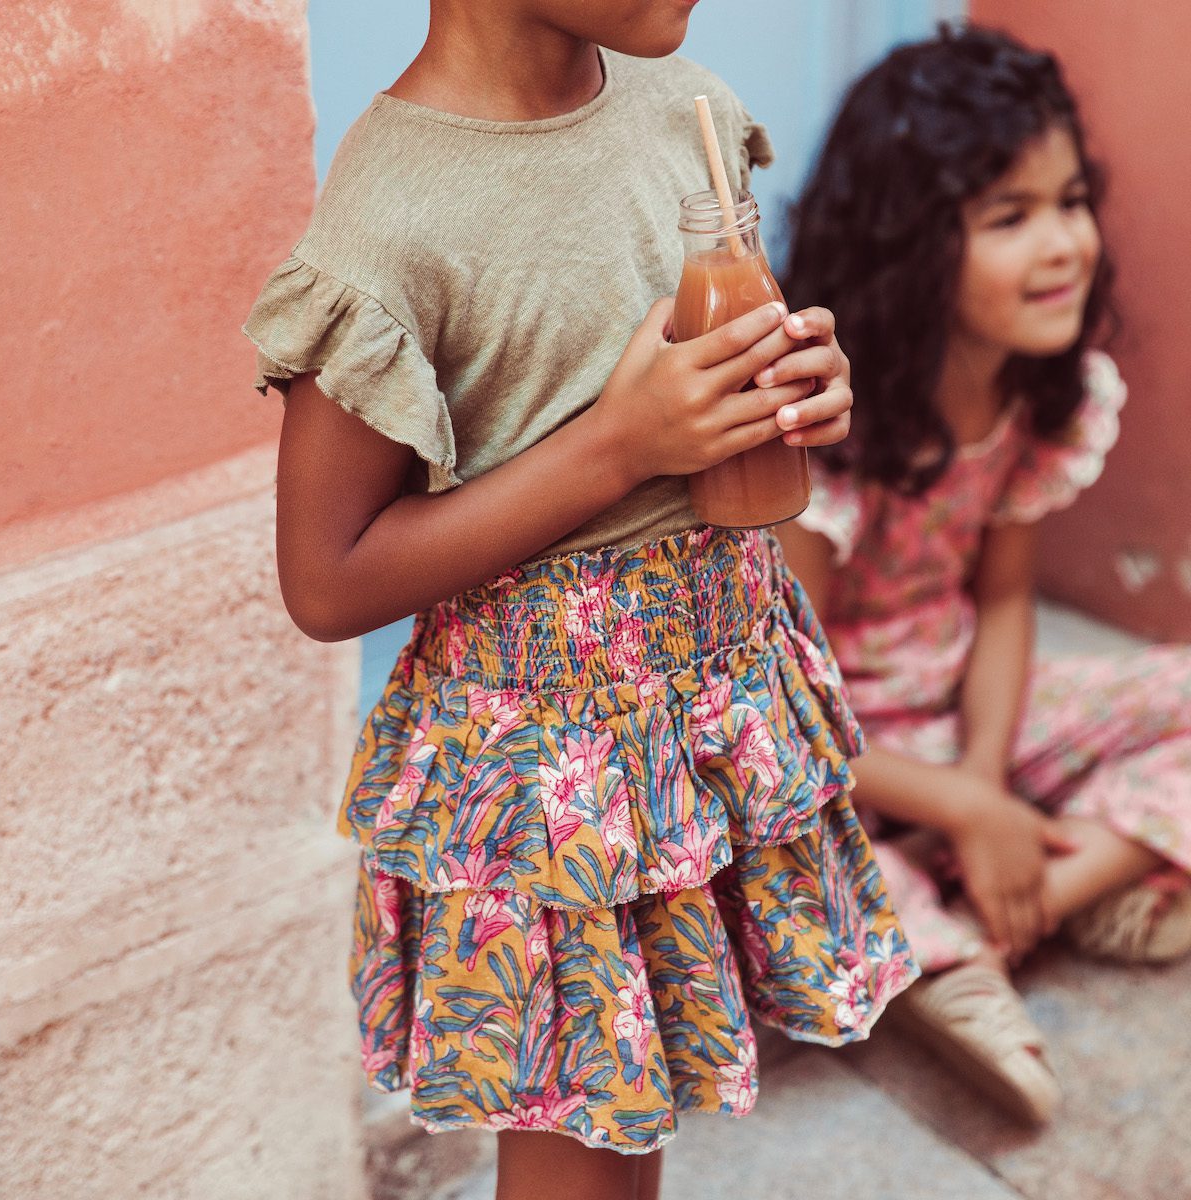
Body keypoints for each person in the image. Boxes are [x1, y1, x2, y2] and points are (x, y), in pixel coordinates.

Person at [242, 3, 916, 1196]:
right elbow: (327, 576)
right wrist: (618, 447)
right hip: (552, 771)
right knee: (582, 1160)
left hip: (707, 708)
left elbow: (713, 379)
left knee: (641, 1117)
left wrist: (800, 387)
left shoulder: (688, 112)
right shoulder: (398, 213)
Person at [777, 24, 1191, 1127]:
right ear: (910, 246)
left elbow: (1002, 598)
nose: (1063, 244)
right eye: (1010, 218)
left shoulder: (1036, 396)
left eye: (1069, 200)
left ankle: (1034, 895)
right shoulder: (824, 435)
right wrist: (956, 800)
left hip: (958, 709)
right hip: (831, 743)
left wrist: (990, 780)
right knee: (766, 858)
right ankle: (954, 959)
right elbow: (776, 713)